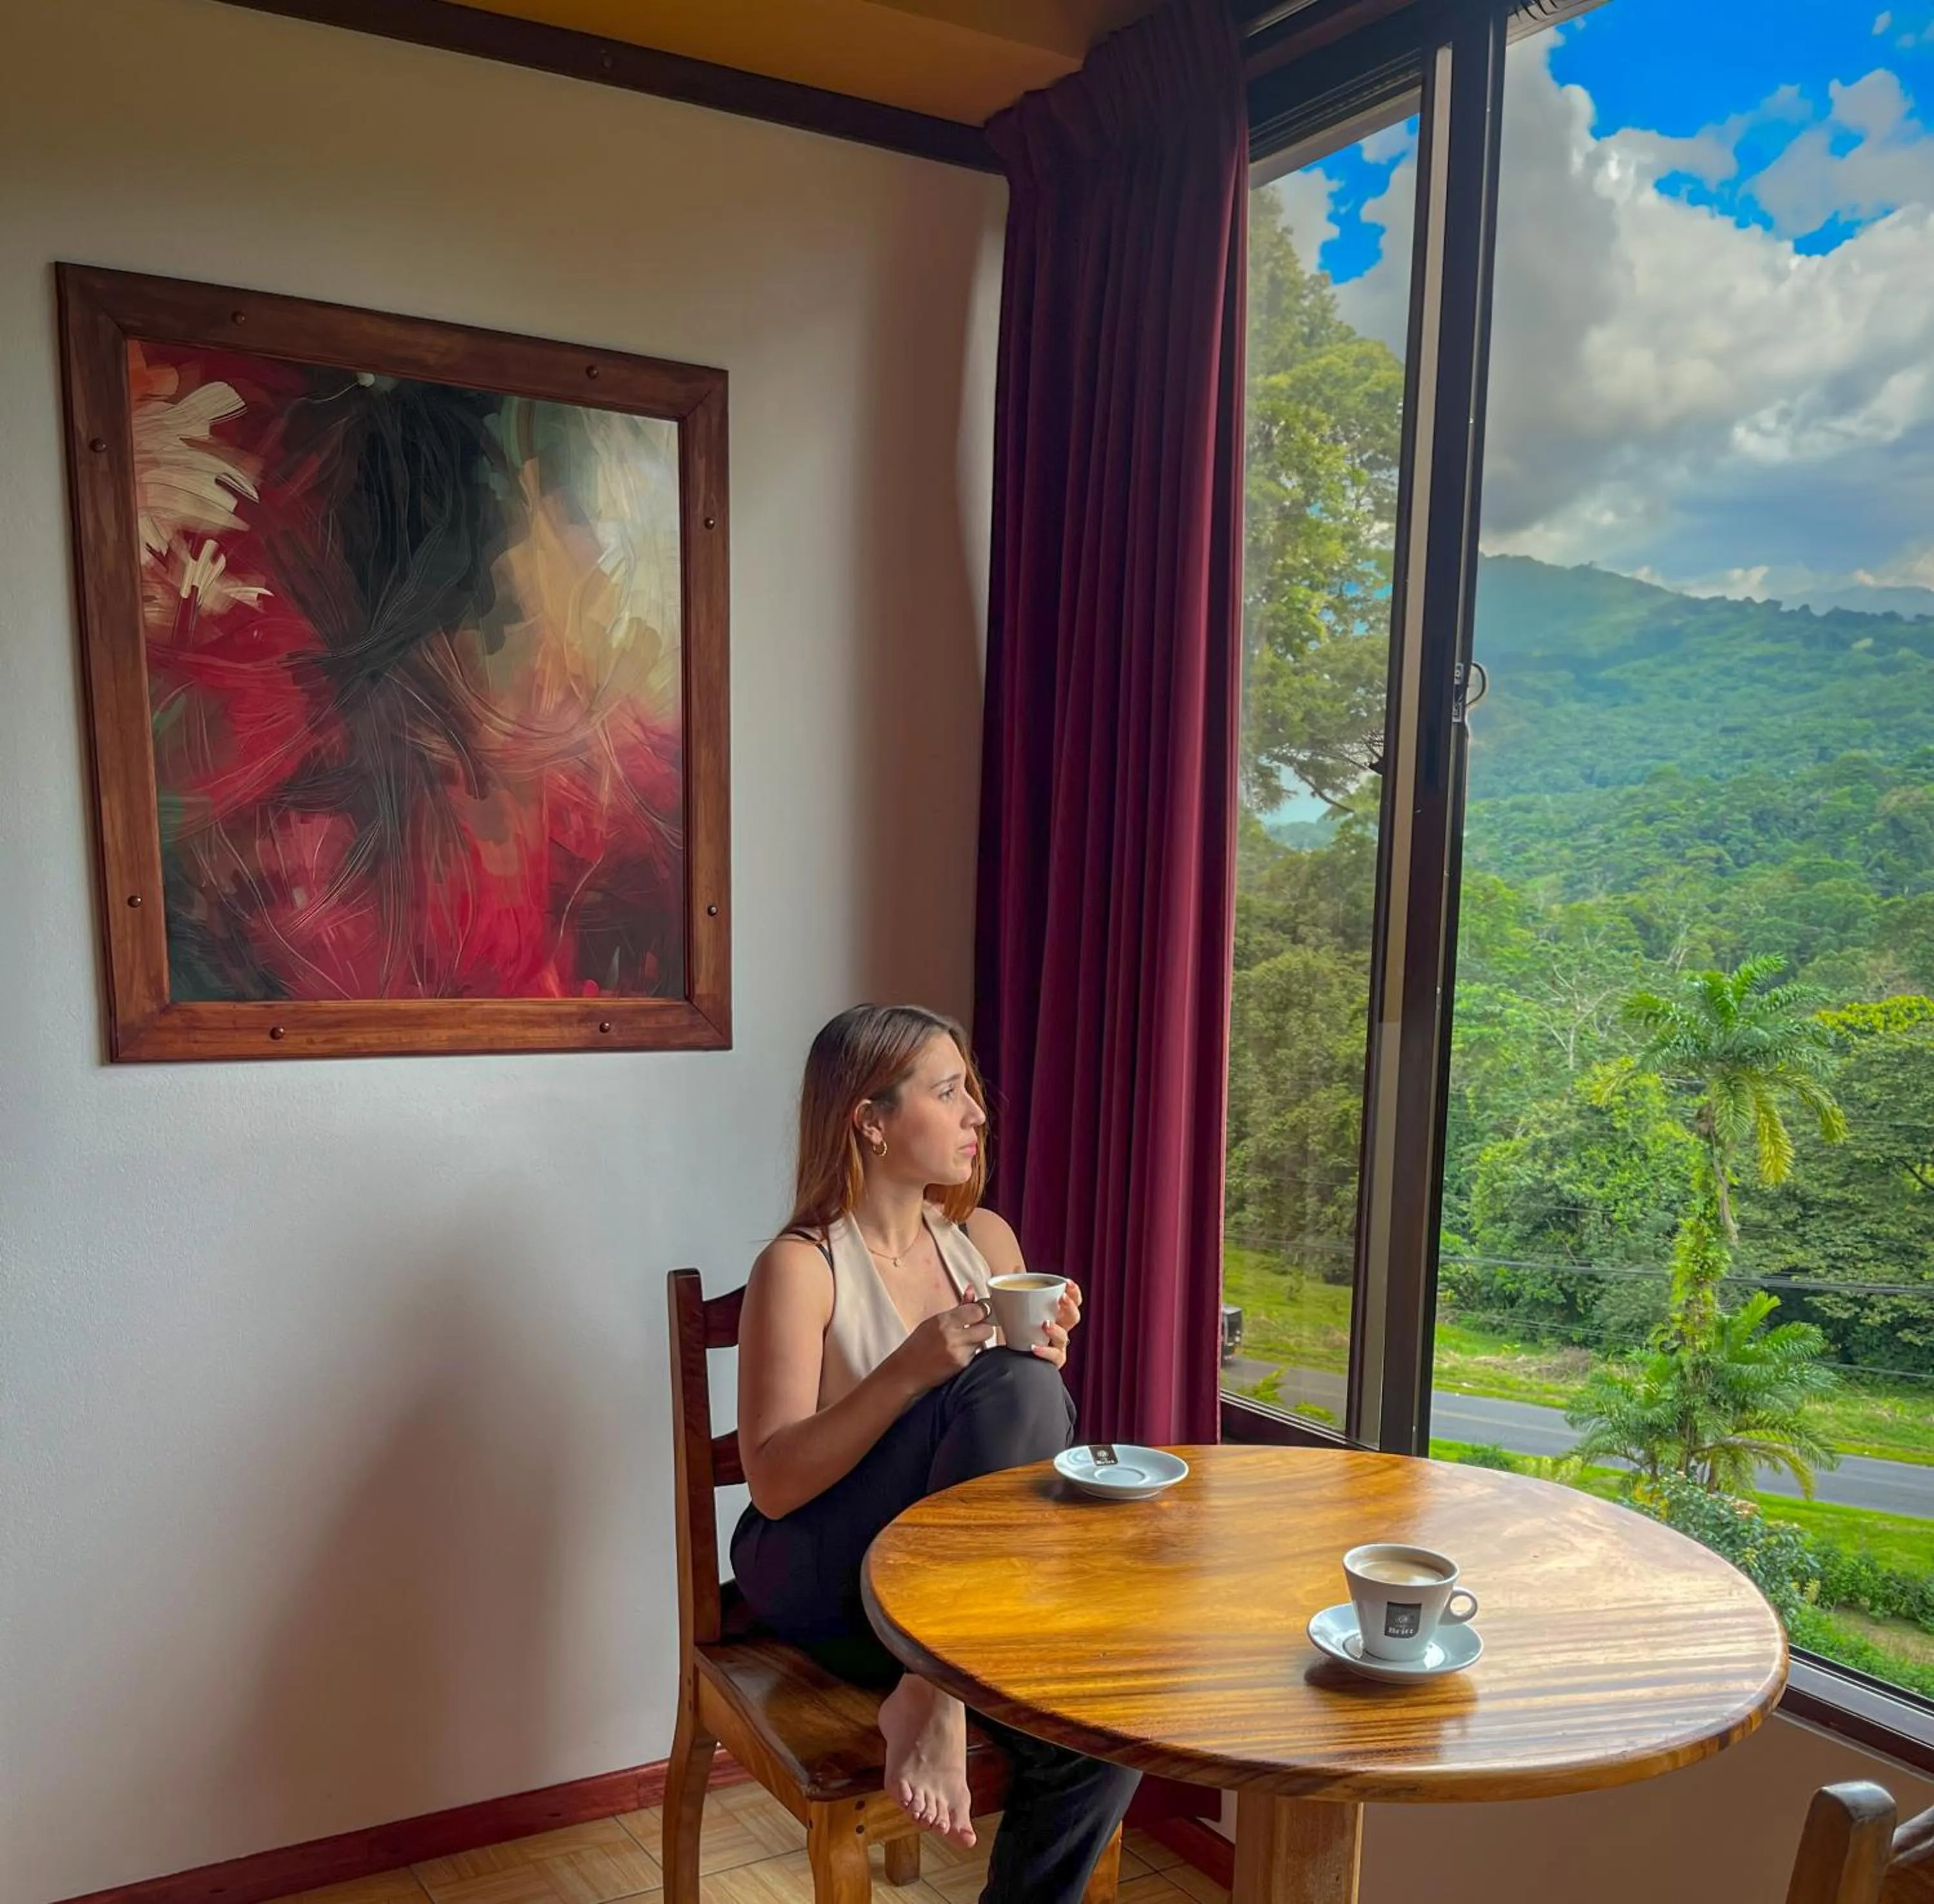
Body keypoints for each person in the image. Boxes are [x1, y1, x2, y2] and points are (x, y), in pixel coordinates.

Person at [730, 1004, 1140, 1901]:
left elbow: (1011, 1450)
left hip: (958, 1585)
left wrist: (1042, 1365)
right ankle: (936, 1682)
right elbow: (770, 1479)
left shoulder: (986, 1243)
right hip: (823, 1569)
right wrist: (909, 1370)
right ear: (870, 1120)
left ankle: (934, 1680)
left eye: (972, 1090)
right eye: (949, 1091)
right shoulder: (801, 1266)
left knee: (1100, 1734)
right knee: (1016, 1384)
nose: (978, 1116)